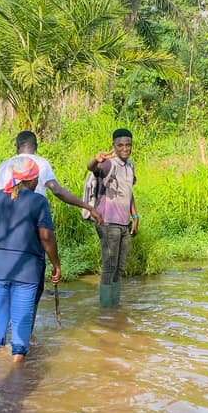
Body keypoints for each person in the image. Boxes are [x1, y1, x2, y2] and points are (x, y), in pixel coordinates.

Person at [0, 130, 101, 326]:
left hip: (5, 232)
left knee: (6, 282)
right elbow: (56, 190)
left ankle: (5, 330)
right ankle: (27, 330)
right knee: (32, 281)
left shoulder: (4, 165)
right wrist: (87, 206)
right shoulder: (40, 163)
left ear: (16, 147)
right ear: (36, 147)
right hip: (32, 229)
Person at [0, 155, 62, 363]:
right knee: (22, 320)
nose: (38, 181)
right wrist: (56, 265)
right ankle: (17, 373)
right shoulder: (39, 201)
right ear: (31, 180)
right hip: (27, 270)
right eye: (37, 178)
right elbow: (46, 237)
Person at [86, 128, 138, 307]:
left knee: (120, 267)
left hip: (124, 224)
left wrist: (135, 215)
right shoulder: (108, 164)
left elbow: (129, 192)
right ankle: (106, 312)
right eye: (120, 145)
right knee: (109, 267)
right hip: (107, 222)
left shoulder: (130, 165)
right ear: (113, 146)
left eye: (128, 145)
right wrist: (95, 159)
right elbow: (92, 167)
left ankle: (114, 307)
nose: (125, 148)